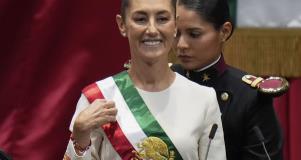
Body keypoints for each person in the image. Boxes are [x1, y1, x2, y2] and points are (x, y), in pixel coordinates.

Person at [63, 0, 226, 159]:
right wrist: (80, 135)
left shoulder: (204, 99)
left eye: (162, 19)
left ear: (175, 25)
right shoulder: (98, 97)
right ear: (122, 24)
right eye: (141, 19)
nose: (152, 29)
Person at [171, 0, 283, 159]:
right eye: (176, 33)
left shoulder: (249, 97)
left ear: (224, 31)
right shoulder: (163, 80)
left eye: (194, 34)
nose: (181, 44)